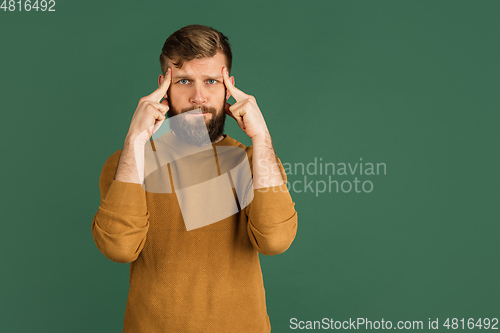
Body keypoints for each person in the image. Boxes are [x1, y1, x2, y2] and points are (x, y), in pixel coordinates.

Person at [92, 24, 298, 332]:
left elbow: (275, 241)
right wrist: (136, 139)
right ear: (163, 87)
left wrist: (261, 136)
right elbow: (119, 248)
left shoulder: (255, 162)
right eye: (184, 81)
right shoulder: (129, 163)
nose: (198, 96)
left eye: (211, 81)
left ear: (229, 88)